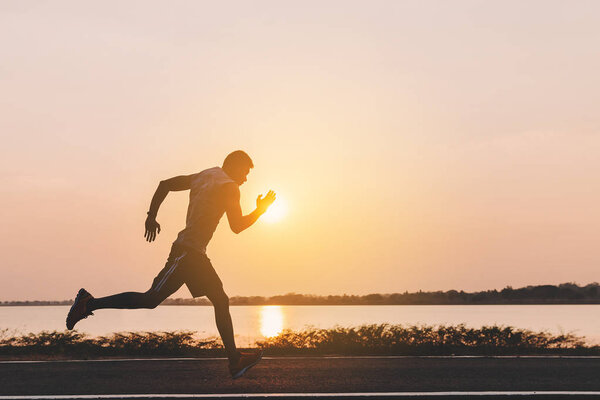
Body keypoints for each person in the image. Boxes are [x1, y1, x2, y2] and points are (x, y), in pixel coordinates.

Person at [66, 150, 276, 378]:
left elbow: (164, 185)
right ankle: (89, 303)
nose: (245, 179)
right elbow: (237, 225)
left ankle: (234, 359)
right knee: (151, 298)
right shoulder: (229, 187)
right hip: (187, 253)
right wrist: (261, 210)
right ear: (234, 166)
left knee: (219, 299)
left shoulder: (204, 175)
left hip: (194, 253)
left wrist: (151, 215)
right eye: (245, 173)